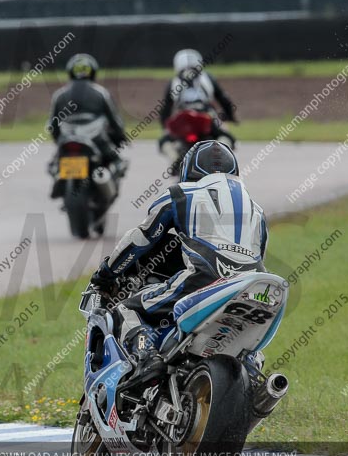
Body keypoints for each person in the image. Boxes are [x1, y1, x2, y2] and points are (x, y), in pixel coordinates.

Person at [91, 140, 268, 378]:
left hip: (202, 280)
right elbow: (259, 254)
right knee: (247, 341)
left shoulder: (181, 194)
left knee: (125, 308)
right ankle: (254, 376)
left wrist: (107, 273)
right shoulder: (257, 210)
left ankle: (148, 359)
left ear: (189, 170)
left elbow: (141, 239)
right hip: (254, 287)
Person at [48, 53, 128, 176]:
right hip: (95, 138)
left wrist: (58, 140)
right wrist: (120, 135)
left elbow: (53, 125)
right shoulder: (101, 93)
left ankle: (56, 167)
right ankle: (115, 165)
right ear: (93, 72)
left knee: (54, 162)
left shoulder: (59, 95)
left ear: (70, 72)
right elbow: (114, 120)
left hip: (68, 137)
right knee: (116, 160)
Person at [158, 49, 238, 160]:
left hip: (182, 119)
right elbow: (224, 99)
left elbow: (165, 109)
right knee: (226, 135)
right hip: (206, 116)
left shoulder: (174, 81)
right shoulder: (207, 78)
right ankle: (219, 156)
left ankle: (174, 159)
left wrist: (165, 126)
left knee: (164, 140)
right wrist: (229, 116)